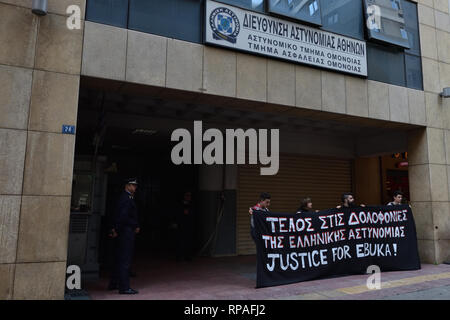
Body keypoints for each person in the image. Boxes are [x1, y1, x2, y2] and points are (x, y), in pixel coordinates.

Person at [108, 178, 140, 295]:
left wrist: (115, 228)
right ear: (127, 186)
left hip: (121, 231)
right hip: (125, 232)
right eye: (133, 185)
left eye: (135, 185)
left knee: (118, 258)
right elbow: (124, 216)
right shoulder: (127, 199)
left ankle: (114, 283)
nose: (135, 187)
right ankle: (124, 287)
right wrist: (135, 225)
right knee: (125, 260)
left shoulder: (123, 197)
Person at [176, 191, 195, 261]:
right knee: (181, 241)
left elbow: (193, 214)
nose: (188, 197)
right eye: (187, 195)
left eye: (189, 196)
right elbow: (177, 214)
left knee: (188, 241)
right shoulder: (180, 204)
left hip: (189, 225)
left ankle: (188, 255)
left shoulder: (192, 205)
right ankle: (180, 256)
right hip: (181, 225)